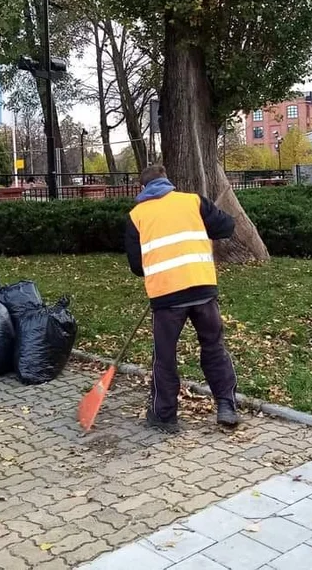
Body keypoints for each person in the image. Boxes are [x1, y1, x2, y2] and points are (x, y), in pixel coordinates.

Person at [125, 165, 240, 433]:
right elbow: (227, 227)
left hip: (166, 297)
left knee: (164, 357)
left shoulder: (136, 216)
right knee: (213, 347)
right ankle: (226, 406)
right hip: (202, 289)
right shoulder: (193, 202)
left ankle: (164, 416)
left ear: (143, 189)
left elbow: (136, 265)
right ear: (168, 182)